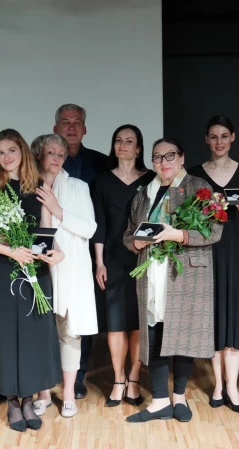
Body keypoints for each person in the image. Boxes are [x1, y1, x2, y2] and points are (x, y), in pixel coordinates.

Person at [123, 138, 223, 423]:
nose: (164, 162)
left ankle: (179, 396)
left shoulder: (199, 187)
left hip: (185, 272)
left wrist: (177, 235)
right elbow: (129, 234)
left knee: (183, 332)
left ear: (181, 157)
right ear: (152, 162)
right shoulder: (144, 194)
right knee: (153, 331)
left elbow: (214, 232)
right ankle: (159, 401)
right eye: (157, 157)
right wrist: (137, 244)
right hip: (152, 271)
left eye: (170, 156)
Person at [0, 129, 63, 432]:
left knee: (33, 335)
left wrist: (54, 254)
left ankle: (29, 399)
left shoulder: (40, 185)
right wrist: (9, 249)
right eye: (0, 152)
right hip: (3, 271)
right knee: (7, 334)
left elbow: (48, 232)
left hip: (36, 272)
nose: (6, 157)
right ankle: (11, 399)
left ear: (22, 150)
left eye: (11, 150)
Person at [30, 134, 98, 418]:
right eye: (50, 152)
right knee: (40, 330)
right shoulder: (27, 185)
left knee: (70, 331)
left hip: (70, 267)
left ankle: (68, 392)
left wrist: (58, 210)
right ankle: (43, 390)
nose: (57, 158)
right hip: (37, 268)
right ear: (39, 155)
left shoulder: (79, 187)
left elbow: (90, 228)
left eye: (61, 153)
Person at [188, 116, 239, 414]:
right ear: (206, 140)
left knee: (234, 318)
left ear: (233, 137)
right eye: (213, 136)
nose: (219, 142)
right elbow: (185, 217)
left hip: (236, 252)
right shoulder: (195, 174)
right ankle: (218, 385)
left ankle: (234, 387)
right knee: (213, 319)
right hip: (206, 253)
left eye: (224, 136)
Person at [93, 125, 154, 407]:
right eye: (118, 140)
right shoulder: (102, 181)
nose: (123, 145)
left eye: (129, 141)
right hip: (113, 260)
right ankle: (118, 380)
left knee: (138, 324)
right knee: (116, 323)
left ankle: (134, 377)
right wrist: (99, 262)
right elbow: (100, 226)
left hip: (144, 260)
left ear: (139, 147)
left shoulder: (152, 179)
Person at [53, 103, 108, 399]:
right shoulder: (42, 166)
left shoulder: (101, 163)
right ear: (55, 129)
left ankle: (78, 375)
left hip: (86, 251)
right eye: (65, 122)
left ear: (85, 129)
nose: (71, 127)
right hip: (51, 252)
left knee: (79, 316)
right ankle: (49, 375)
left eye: (77, 123)